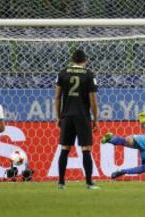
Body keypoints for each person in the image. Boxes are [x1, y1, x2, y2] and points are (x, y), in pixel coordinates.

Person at [55, 49, 99, 190]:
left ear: (72, 59)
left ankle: (61, 183)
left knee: (65, 149)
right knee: (86, 149)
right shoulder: (89, 74)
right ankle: (89, 183)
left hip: (67, 115)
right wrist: (95, 119)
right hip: (82, 116)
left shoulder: (62, 73)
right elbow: (93, 99)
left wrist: (58, 116)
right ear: (84, 60)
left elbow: (57, 97)